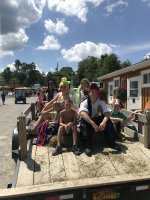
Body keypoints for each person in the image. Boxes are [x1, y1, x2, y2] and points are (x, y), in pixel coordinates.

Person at [79, 83, 121, 156]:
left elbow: (107, 112)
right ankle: (88, 145)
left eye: (96, 92)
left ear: (98, 93)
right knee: (83, 122)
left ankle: (111, 142)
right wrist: (93, 124)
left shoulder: (101, 101)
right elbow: (82, 113)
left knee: (108, 121)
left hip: (96, 120)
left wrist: (104, 122)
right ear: (89, 93)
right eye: (92, 92)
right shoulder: (84, 102)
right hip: (89, 121)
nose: (94, 94)